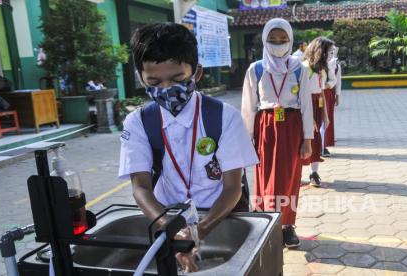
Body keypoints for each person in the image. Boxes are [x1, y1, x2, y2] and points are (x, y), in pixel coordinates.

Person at [119, 23, 258, 272]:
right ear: (141, 78)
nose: (166, 90)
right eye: (154, 81)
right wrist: (169, 227)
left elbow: (232, 186)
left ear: (197, 73)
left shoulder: (224, 117)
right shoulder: (138, 122)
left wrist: (197, 232)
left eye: (177, 79)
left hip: (219, 216)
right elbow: (140, 187)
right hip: (165, 215)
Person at [241, 18, 314, 248]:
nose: (278, 43)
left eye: (283, 39)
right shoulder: (256, 69)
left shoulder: (299, 69)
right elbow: (248, 108)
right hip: (265, 127)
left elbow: (306, 105)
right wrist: (247, 140)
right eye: (273, 39)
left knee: (290, 178)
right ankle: (266, 223)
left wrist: (308, 140)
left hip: (292, 126)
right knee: (266, 177)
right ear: (265, 40)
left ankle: (287, 226)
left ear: (290, 40)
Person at [302, 37, 333, 187]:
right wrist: (310, 118)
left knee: (316, 141)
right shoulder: (304, 68)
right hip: (306, 105)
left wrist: (325, 115)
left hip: (317, 105)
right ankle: (295, 173)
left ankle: (314, 173)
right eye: (328, 52)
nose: (330, 55)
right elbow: (302, 94)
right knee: (303, 140)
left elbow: (321, 92)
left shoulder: (321, 69)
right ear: (320, 51)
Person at [322, 45, 340, 157]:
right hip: (310, 95)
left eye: (332, 51)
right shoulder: (307, 64)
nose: (330, 54)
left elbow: (336, 80)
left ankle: (323, 145)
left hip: (325, 93)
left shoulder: (332, 64)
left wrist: (337, 95)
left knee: (325, 119)